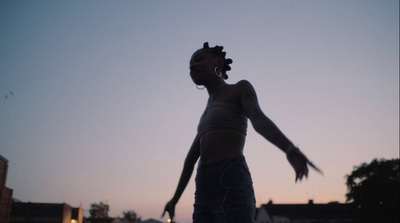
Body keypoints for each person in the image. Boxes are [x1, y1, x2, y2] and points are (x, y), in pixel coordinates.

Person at [162, 42, 321, 223]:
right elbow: (190, 160)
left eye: (199, 59)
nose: (193, 65)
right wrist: (174, 199)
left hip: (230, 179)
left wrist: (289, 149)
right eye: (190, 64)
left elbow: (259, 119)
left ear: (219, 63)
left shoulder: (239, 89)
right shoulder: (206, 113)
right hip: (203, 186)